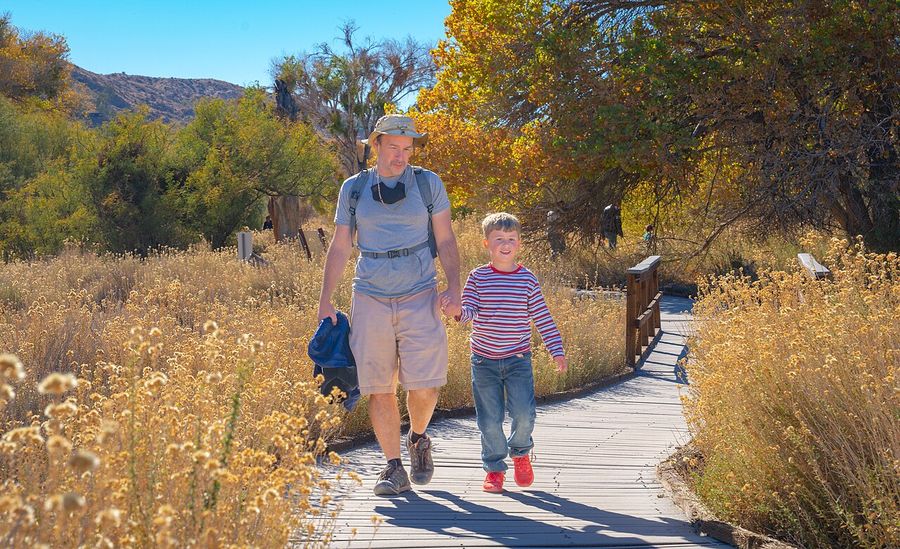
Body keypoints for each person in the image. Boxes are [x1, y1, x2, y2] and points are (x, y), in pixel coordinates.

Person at [317, 114, 462, 496]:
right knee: (378, 387)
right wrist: (325, 300)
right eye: (394, 146)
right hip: (370, 296)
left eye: (407, 148)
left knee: (425, 386)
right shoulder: (354, 189)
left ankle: (417, 438)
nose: (401, 155)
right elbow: (341, 245)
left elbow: (446, 239)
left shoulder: (428, 184)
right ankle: (393, 467)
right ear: (376, 145)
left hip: (420, 292)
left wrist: (455, 287)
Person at [444, 212, 568, 493]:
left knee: (524, 414)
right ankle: (495, 469)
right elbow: (469, 311)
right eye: (499, 238)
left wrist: (556, 350)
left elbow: (542, 317)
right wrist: (456, 312)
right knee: (489, 420)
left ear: (519, 244)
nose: (505, 243)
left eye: (511, 239)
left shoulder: (527, 279)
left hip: (518, 359)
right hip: (483, 361)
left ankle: (521, 452)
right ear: (487, 243)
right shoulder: (478, 277)